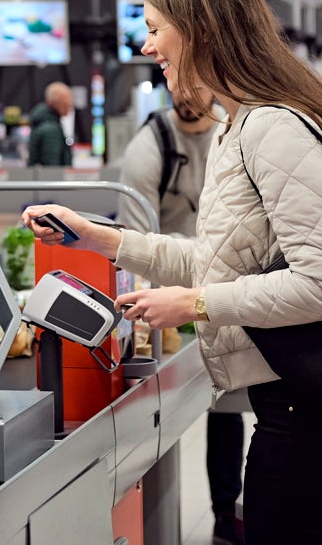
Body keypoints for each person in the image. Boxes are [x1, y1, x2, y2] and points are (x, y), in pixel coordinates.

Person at [23, 0, 322, 543]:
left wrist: (195, 305)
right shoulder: (241, 125)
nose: (148, 47)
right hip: (317, 406)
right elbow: (219, 259)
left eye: (154, 30)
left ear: (200, 30)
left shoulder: (273, 127)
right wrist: (96, 237)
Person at [117, 86, 244, 545]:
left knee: (229, 403)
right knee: (176, 407)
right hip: (172, 290)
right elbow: (134, 242)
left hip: (229, 283)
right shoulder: (147, 150)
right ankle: (202, 522)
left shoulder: (235, 133)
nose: (188, 95)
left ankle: (226, 519)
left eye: (198, 84)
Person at [27, 81, 74, 166]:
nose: (70, 105)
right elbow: (52, 167)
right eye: (65, 102)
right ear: (54, 103)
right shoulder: (51, 130)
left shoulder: (44, 122)